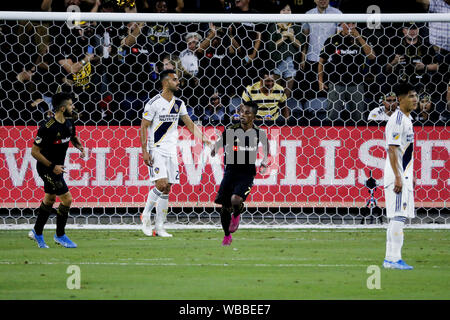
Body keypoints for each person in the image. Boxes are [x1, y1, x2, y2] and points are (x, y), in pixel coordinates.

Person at [140, 70, 212, 237]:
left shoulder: (179, 103)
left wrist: (205, 139)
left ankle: (160, 227)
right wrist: (144, 151)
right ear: (165, 82)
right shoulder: (154, 103)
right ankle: (145, 215)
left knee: (167, 189)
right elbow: (144, 126)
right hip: (156, 148)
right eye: (175, 79)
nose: (178, 82)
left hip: (172, 150)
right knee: (161, 184)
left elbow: (190, 124)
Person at [28, 92, 85, 248]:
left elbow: (72, 136)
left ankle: (36, 232)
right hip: (47, 168)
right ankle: (60, 235)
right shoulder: (47, 127)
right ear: (61, 108)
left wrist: (79, 146)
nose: (72, 107)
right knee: (67, 199)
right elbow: (34, 151)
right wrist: (53, 166)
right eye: (70, 104)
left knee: (50, 199)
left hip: (57, 168)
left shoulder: (69, 122)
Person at [211, 101, 269, 246]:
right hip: (230, 171)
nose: (243, 115)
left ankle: (237, 214)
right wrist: (214, 148)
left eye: (247, 113)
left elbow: (267, 147)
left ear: (254, 116)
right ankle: (226, 236)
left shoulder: (258, 133)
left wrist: (265, 160)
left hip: (247, 173)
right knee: (224, 208)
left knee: (236, 200)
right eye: (242, 112)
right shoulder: (231, 129)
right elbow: (220, 141)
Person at [383, 82, 418, 270]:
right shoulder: (397, 120)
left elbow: (404, 150)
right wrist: (398, 176)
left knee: (399, 217)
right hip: (396, 175)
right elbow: (392, 149)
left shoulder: (407, 118)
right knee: (398, 216)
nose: (415, 100)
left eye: (416, 96)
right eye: (411, 96)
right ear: (400, 99)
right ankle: (393, 259)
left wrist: (408, 174)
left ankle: (391, 258)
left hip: (403, 174)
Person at [318, 21, 376, 123]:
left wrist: (359, 38)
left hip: (356, 84)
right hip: (336, 83)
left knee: (358, 118)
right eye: (348, 24)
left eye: (353, 24)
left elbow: (372, 56)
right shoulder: (332, 39)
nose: (351, 27)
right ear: (341, 24)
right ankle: (330, 136)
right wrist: (320, 81)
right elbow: (321, 62)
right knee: (332, 116)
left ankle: (358, 137)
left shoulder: (362, 39)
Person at [299, 0, 342, 101]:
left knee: (330, 94)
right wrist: (303, 57)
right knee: (311, 93)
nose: (323, 0)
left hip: (331, 60)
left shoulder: (338, 14)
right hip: (312, 58)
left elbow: (340, 39)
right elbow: (306, 39)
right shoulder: (308, 15)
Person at [267, 1, 305, 98]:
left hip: (291, 63)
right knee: (275, 92)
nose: (286, 12)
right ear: (279, 12)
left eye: (288, 10)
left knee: (287, 93)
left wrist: (291, 37)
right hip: (277, 62)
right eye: (283, 10)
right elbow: (271, 47)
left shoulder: (297, 27)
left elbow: (300, 45)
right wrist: (284, 37)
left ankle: (285, 112)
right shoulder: (273, 27)